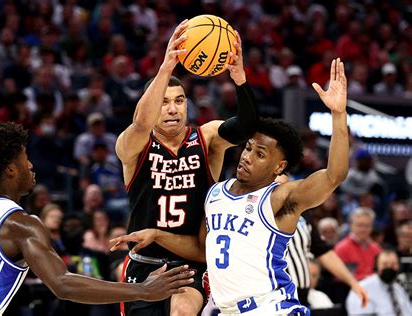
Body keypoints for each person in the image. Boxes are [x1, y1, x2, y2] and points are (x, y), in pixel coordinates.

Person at [111, 58, 369, 314]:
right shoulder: (215, 195)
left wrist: (338, 114)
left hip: (270, 307)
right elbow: (202, 249)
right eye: (247, 148)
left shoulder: (279, 197)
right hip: (221, 307)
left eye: (178, 101)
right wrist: (156, 234)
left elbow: (334, 175)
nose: (246, 157)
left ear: (279, 166)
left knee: (183, 310)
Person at [0, 121, 194, 316]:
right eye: (25, 159)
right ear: (10, 170)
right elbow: (63, 284)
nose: (30, 165)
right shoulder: (21, 224)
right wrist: (144, 291)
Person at [115, 20, 259, 316]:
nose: (172, 109)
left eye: (179, 101)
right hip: (143, 264)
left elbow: (247, 127)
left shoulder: (207, 138)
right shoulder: (134, 146)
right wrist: (166, 67)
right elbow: (141, 123)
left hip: (190, 261)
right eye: (164, 102)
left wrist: (240, 79)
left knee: (182, 311)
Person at [346, 250, 411, 315]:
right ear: (376, 266)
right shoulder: (363, 289)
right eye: (384, 264)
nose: (389, 267)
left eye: (393, 264)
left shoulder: (398, 289)